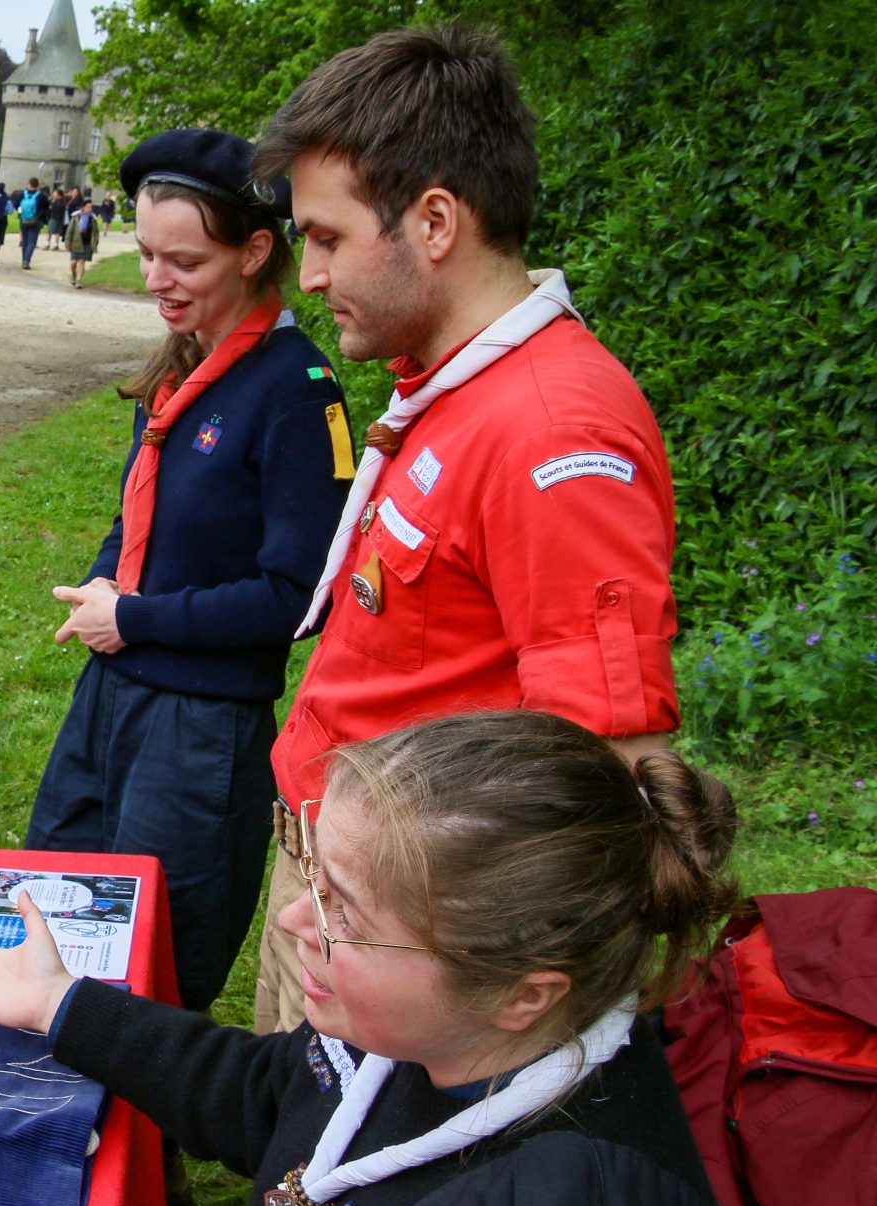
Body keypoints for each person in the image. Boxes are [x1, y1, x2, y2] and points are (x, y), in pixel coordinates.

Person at [0, 710, 750, 1206]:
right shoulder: (457, 1037)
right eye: (311, 866)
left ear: (524, 992)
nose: (295, 918)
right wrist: (62, 1005)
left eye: (346, 912)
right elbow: (280, 1095)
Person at [245, 26, 680, 1035]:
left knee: (337, 1187)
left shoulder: (549, 432)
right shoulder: (455, 388)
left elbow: (603, 772)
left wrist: (460, 1007)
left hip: (409, 931)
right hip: (345, 883)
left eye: (325, 237)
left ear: (433, 221)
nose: (307, 277)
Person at [25, 129, 351, 1014]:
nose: (156, 278)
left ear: (253, 252)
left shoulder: (298, 388)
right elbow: (140, 515)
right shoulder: (184, 362)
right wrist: (103, 588)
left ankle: (148, 1143)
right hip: (111, 694)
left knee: (161, 961)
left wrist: (137, 618)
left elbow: (296, 599)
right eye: (145, 253)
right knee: (57, 907)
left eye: (184, 260)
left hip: (199, 727)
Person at [65, 194, 98, 287]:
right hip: (76, 243)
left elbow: (95, 233)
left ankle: (79, 280)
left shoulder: (93, 219)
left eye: (91, 207)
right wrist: (68, 243)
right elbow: (69, 231)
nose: (90, 209)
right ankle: (73, 275)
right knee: (73, 263)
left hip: (87, 243)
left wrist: (95, 244)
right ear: (83, 207)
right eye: (88, 207)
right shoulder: (76, 217)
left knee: (82, 262)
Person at [15, 177, 43, 269]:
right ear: (37, 185)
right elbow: (46, 207)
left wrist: (21, 213)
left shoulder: (23, 194)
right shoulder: (41, 195)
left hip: (23, 219)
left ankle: (24, 260)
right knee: (32, 241)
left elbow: (17, 205)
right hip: (35, 219)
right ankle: (27, 260)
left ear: (29, 184)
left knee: (25, 240)